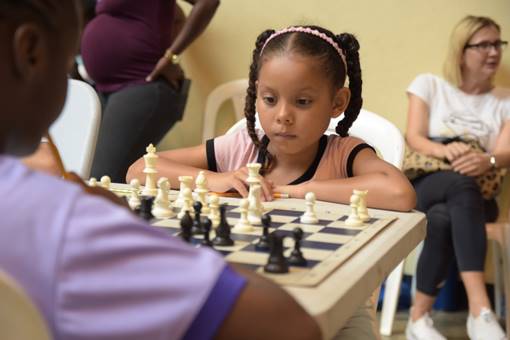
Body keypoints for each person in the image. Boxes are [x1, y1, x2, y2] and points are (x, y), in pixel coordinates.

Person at [0, 1, 321, 339]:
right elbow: (289, 326)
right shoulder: (59, 220)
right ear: (30, 52)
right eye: (68, 63)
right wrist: (125, 233)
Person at [127, 25, 416, 212]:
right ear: (255, 95)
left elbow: (400, 193)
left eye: (302, 102)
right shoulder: (241, 148)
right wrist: (217, 179)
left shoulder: (344, 155)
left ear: (337, 103)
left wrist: (300, 192)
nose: (283, 116)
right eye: (269, 99)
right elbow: (139, 170)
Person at [404, 15, 509, 340]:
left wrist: (486, 159)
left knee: (443, 217)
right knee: (455, 189)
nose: (494, 52)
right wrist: (445, 152)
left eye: (498, 44)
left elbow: (505, 154)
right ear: (461, 51)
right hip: (429, 182)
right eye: (483, 45)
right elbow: (414, 137)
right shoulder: (429, 85)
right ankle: (480, 310)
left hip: (479, 196)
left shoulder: (505, 100)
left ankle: (418, 319)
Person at [81, 0, 220, 183]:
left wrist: (171, 56)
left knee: (101, 178)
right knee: (86, 170)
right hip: (104, 89)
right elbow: (175, 15)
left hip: (142, 85)